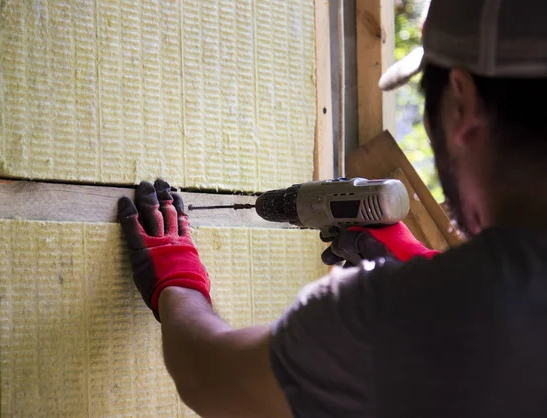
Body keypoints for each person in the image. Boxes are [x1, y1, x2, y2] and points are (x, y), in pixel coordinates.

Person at [117, 0, 547, 416]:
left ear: (462, 104)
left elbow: (209, 378)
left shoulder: (388, 318)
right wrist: (425, 265)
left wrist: (177, 277)